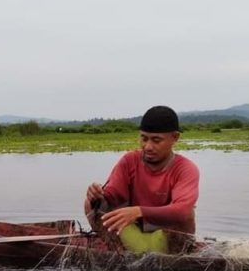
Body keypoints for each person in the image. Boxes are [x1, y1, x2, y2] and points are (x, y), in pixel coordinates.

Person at [84, 105, 199, 250]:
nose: (148, 146)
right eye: (144, 139)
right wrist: (96, 195)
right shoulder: (129, 160)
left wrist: (140, 211)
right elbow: (111, 197)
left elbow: (182, 210)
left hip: (166, 234)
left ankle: (175, 257)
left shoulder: (185, 168)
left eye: (156, 140)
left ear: (175, 137)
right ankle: (119, 252)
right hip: (133, 231)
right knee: (90, 204)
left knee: (187, 214)